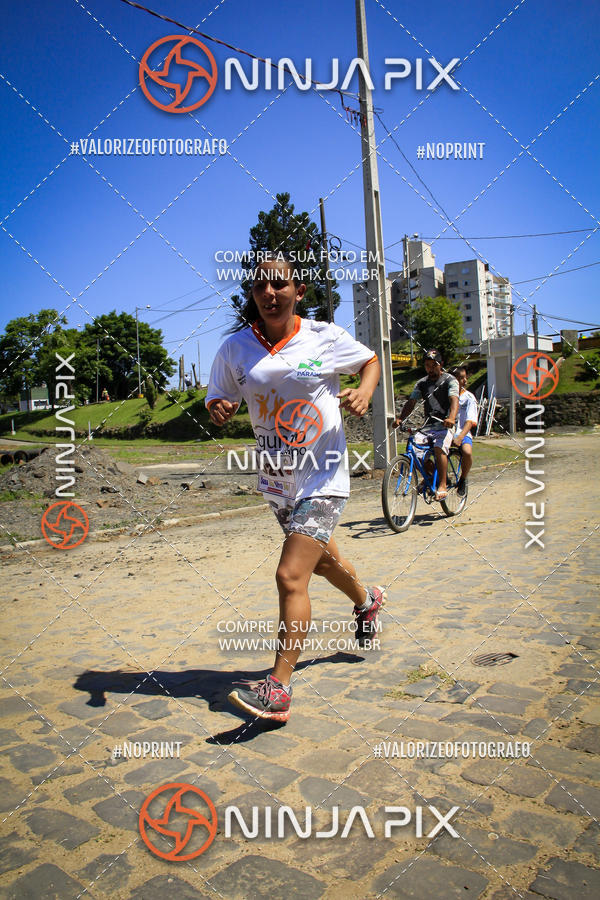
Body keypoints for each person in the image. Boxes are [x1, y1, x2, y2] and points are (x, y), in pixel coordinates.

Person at [205, 255, 386, 723]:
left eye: (279, 284)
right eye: (260, 285)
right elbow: (216, 394)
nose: (269, 293)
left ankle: (279, 687)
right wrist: (219, 407)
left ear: (298, 291)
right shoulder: (236, 348)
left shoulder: (323, 337)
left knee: (291, 574)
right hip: (277, 479)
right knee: (321, 560)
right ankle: (368, 602)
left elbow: (371, 361)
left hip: (324, 475)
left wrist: (365, 391)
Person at [394, 349, 459, 500]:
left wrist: (451, 418)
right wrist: (400, 418)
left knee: (439, 448)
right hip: (428, 426)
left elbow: (454, 400)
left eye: (433, 365)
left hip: (445, 425)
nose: (430, 368)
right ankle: (430, 476)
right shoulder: (422, 383)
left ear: (440, 364)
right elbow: (411, 402)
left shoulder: (450, 380)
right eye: (427, 365)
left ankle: (442, 485)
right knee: (414, 452)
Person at [452, 366, 477, 496]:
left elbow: (470, 421)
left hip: (462, 432)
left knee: (467, 452)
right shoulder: (447, 396)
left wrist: (460, 437)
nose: (465, 380)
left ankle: (463, 478)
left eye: (465, 377)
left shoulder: (469, 397)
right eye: (461, 378)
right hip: (447, 432)